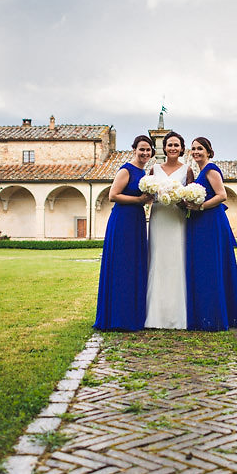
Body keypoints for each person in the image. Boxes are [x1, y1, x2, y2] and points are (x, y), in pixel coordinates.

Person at [184, 137, 237, 331]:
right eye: (193, 149)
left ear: (209, 151)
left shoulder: (211, 170)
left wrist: (200, 206)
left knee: (213, 265)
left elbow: (222, 195)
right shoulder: (200, 172)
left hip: (211, 222)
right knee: (205, 267)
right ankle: (206, 313)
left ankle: (215, 315)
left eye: (200, 148)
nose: (196, 152)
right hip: (201, 222)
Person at [94, 135, 154, 330]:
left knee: (135, 265)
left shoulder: (144, 173)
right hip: (122, 220)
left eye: (148, 150)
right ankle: (118, 317)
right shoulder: (126, 170)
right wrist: (139, 201)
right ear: (134, 150)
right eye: (141, 149)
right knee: (122, 265)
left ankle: (132, 314)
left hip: (136, 220)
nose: (145, 153)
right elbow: (113, 195)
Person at [145, 131, 193, 329]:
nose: (173, 148)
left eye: (177, 145)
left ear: (182, 148)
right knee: (158, 260)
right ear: (164, 147)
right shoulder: (154, 169)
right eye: (170, 144)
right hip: (159, 217)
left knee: (176, 260)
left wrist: (181, 201)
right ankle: (155, 315)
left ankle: (177, 315)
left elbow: (191, 197)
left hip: (176, 218)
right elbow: (147, 194)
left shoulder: (188, 170)